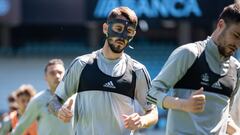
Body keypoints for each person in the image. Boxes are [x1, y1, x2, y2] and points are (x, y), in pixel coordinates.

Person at [48, 6, 158, 135]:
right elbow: (54, 102)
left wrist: (142, 120)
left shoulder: (137, 71)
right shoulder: (81, 64)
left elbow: (153, 112)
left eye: (129, 31)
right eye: (118, 29)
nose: (122, 36)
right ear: (106, 28)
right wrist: (59, 111)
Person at [147, 2, 240, 135]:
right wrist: (183, 105)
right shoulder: (189, 53)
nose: (238, 44)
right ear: (220, 25)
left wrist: (236, 131)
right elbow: (150, 93)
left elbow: (224, 116)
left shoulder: (236, 69)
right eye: (236, 36)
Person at [11, 59, 73, 135]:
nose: (57, 76)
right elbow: (20, 128)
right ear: (45, 77)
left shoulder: (76, 97)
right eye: (52, 73)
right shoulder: (38, 100)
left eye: (60, 72)